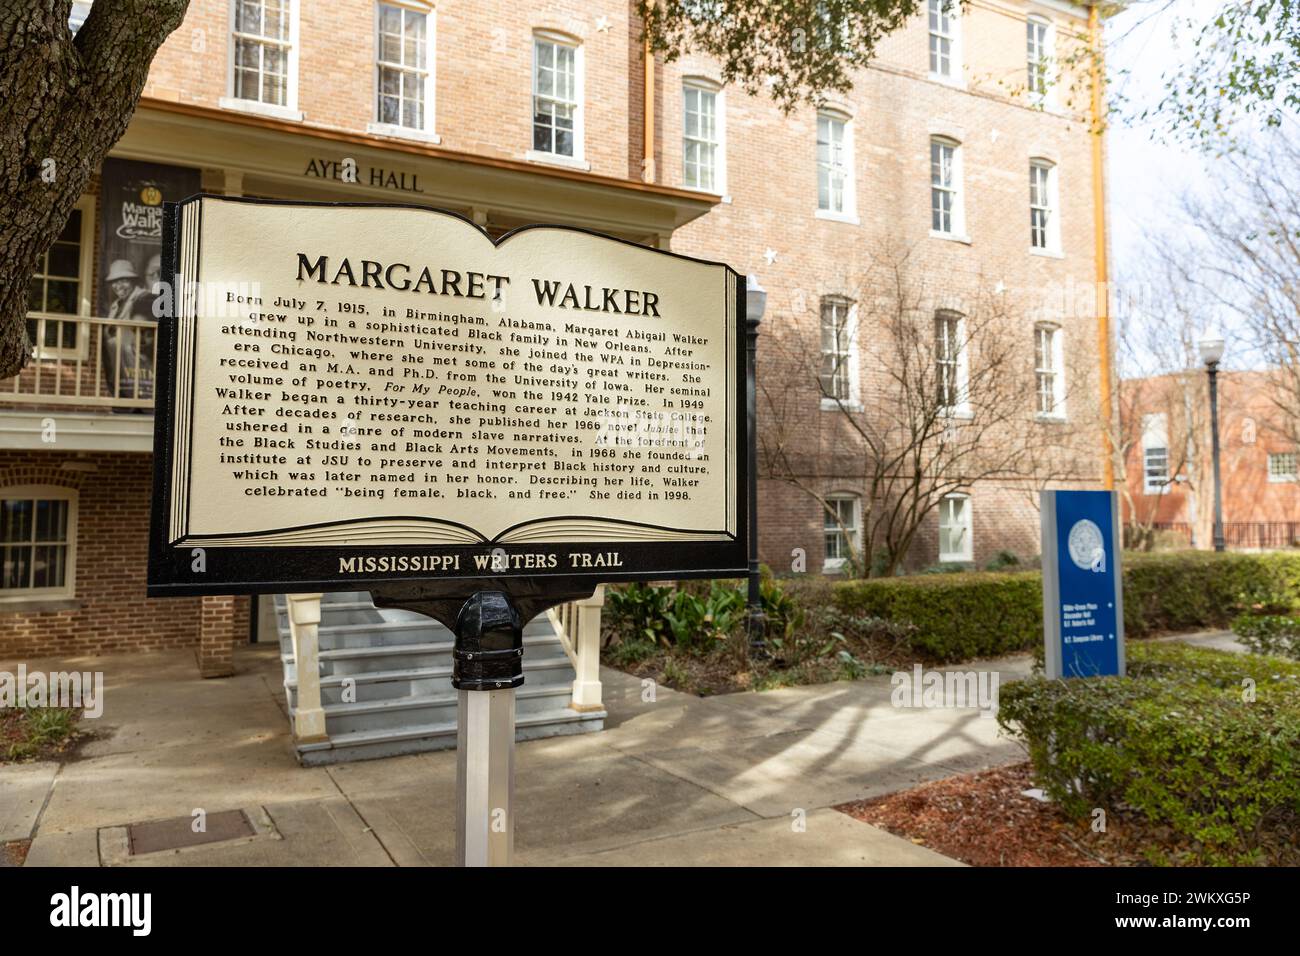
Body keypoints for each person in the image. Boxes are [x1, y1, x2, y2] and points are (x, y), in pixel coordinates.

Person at [101, 258, 150, 406]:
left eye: (123, 281)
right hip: (117, 363)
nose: (118, 286)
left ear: (132, 281)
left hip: (136, 362)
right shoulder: (116, 305)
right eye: (114, 282)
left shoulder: (144, 298)